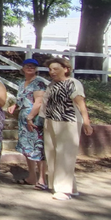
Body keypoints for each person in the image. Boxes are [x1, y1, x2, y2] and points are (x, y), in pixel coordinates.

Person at [37, 57, 93, 201]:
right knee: (52, 154)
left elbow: (81, 103)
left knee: (65, 155)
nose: (52, 72)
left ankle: (63, 190)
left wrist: (86, 122)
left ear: (66, 69)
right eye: (50, 69)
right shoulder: (51, 85)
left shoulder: (73, 83)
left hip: (68, 122)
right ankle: (69, 187)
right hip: (50, 121)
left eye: (56, 69)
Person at [11, 59, 49, 188]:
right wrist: (15, 105)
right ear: (23, 68)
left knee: (38, 148)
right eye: (27, 65)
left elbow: (39, 102)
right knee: (27, 149)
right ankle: (32, 177)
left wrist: (30, 117)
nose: (30, 68)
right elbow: (22, 99)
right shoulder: (22, 84)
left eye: (33, 66)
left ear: (36, 69)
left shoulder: (38, 83)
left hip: (34, 119)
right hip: (23, 119)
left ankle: (42, 180)